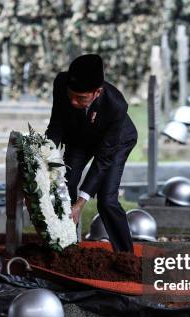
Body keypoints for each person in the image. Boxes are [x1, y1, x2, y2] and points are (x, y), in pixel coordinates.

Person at [45, 54, 137, 253]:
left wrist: (80, 203)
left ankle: (125, 255)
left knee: (106, 199)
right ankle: (67, 245)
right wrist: (46, 154)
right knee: (65, 184)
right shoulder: (61, 83)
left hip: (116, 142)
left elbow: (103, 159)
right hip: (80, 137)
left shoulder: (116, 105)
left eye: (81, 98)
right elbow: (57, 123)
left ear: (97, 92)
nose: (73, 103)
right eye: (71, 95)